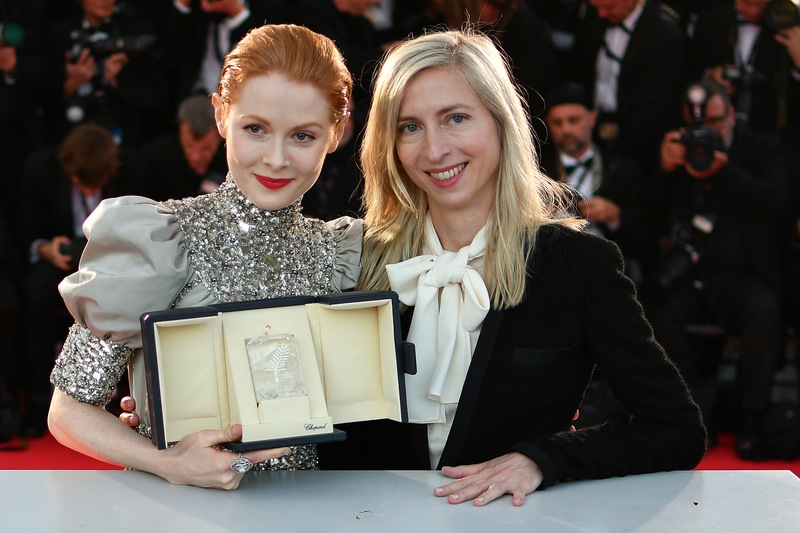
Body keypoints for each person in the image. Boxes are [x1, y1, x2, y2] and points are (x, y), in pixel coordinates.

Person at [317, 28, 706, 506]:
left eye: (456, 118)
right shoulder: (352, 257)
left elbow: (676, 429)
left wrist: (543, 458)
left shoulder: (577, 265)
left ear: (501, 122)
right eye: (409, 126)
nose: (435, 150)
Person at [48, 23, 360, 490]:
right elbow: (67, 410)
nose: (276, 158)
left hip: (305, 512)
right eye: (255, 129)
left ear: (336, 132)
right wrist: (169, 463)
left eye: (302, 136)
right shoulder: (157, 239)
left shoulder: (343, 253)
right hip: (176, 513)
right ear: (220, 116)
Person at [640, 79, 789, 460]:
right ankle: (690, 409)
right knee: (655, 311)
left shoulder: (760, 147)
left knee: (765, 313)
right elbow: (646, 216)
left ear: (732, 114)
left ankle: (753, 417)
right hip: (688, 273)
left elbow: (779, 201)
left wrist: (724, 171)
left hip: (743, 275)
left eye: (717, 123)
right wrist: (663, 167)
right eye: (701, 125)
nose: (710, 133)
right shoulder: (680, 150)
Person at [18, 122, 147, 438]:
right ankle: (37, 399)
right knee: (33, 292)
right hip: (56, 265)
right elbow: (24, 230)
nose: (89, 191)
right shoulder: (40, 168)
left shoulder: (133, 169)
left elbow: (143, 233)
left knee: (138, 296)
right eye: (81, 184)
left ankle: (128, 402)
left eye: (96, 184)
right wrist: (46, 248)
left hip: (115, 266)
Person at [540, 81, 651, 284]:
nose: (566, 129)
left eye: (574, 120)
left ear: (592, 118)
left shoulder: (624, 170)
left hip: (612, 277)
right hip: (554, 276)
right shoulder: (537, 172)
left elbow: (646, 244)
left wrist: (616, 217)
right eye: (558, 122)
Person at [564, 0, 685, 171]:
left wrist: (618, 154)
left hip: (638, 141)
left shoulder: (663, 31)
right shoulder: (594, 16)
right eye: (597, 8)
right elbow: (579, 72)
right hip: (592, 127)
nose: (602, 14)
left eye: (609, 7)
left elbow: (652, 104)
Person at [686, 0, 800, 137]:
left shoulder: (789, 27)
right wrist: (710, 76)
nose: (753, 12)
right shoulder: (711, 20)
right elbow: (687, 72)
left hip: (772, 129)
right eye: (746, 3)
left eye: (761, 6)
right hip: (717, 128)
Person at [141, 94, 227, 201]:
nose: (196, 157)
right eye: (189, 147)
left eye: (206, 149)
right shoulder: (155, 158)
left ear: (220, 136)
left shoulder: (232, 162)